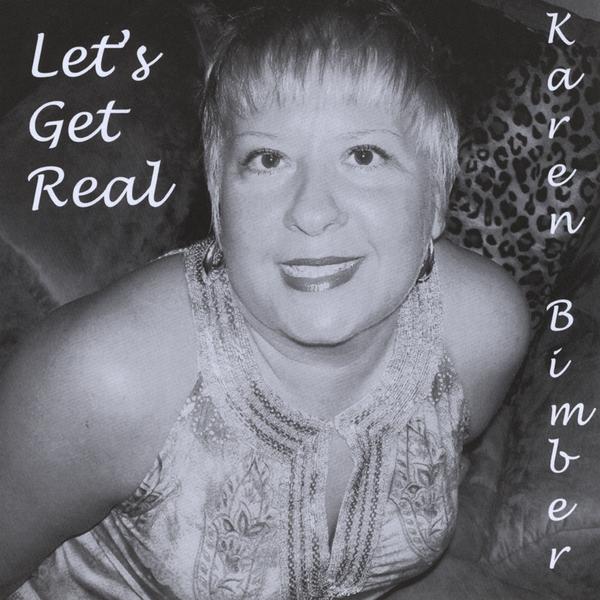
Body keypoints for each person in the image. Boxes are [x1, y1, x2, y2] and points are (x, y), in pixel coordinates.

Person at [0, 1, 530, 598]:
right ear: (219, 200)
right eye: (268, 159)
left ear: (436, 197)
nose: (312, 212)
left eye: (364, 155)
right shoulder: (103, 377)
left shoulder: (483, 331)